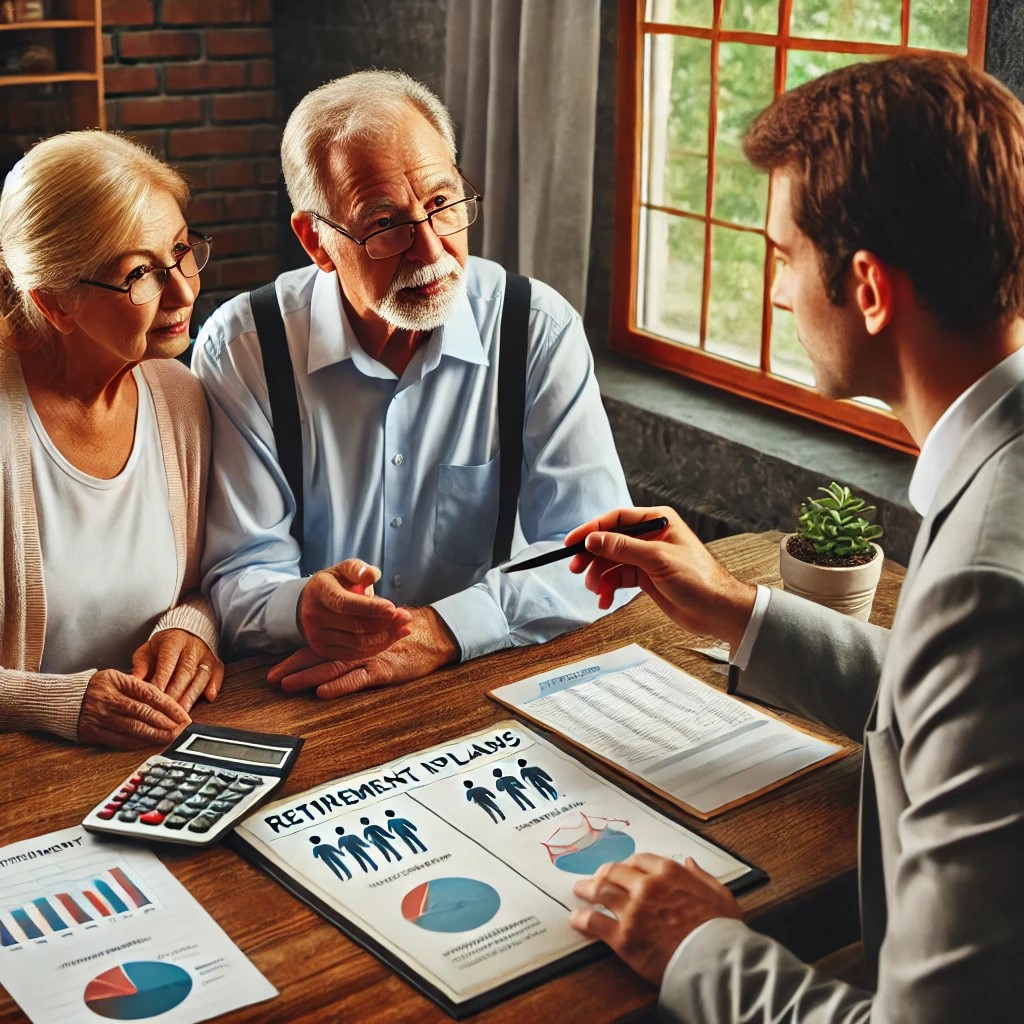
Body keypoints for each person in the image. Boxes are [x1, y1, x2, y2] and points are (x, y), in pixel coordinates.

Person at [565, 55, 1024, 1021]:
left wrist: (694, 946)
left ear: (866, 286)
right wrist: (737, 613)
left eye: (781, 255)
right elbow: (950, 702)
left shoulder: (987, 580)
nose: (775, 293)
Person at [192, 69, 632, 698]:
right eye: (383, 223)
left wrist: (445, 630)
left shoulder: (533, 328)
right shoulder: (245, 350)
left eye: (443, 203)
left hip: (482, 675)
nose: (431, 249)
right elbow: (238, 572)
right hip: (309, 690)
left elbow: (598, 556)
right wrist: (298, 608)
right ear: (316, 239)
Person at [0, 131, 222, 750]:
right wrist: (59, 701)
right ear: (55, 304)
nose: (182, 291)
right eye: (140, 273)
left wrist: (192, 629)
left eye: (181, 250)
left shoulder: (180, 396)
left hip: (148, 755)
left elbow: (206, 582)